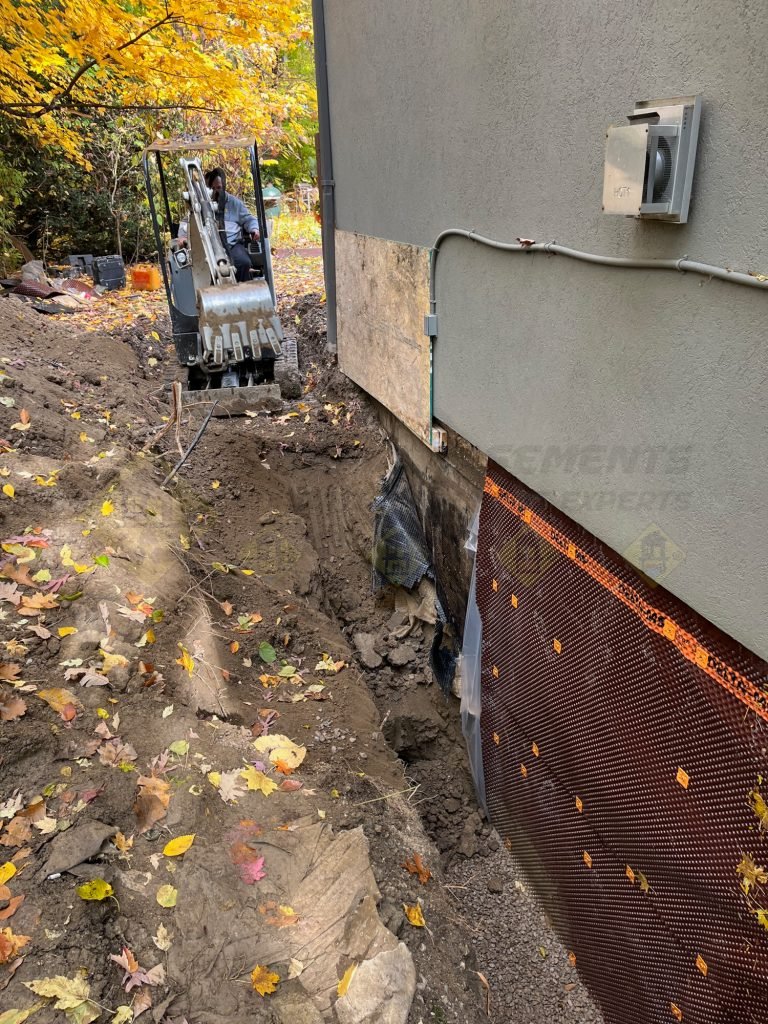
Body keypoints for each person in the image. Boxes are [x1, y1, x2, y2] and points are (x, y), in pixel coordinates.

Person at [178, 167, 260, 283]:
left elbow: (249, 219)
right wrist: (183, 236)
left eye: (219, 188)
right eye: (212, 188)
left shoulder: (234, 203)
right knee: (202, 269)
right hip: (208, 249)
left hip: (232, 245)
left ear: (224, 186)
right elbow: (187, 222)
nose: (216, 192)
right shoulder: (200, 205)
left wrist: (254, 229)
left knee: (243, 262)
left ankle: (243, 293)